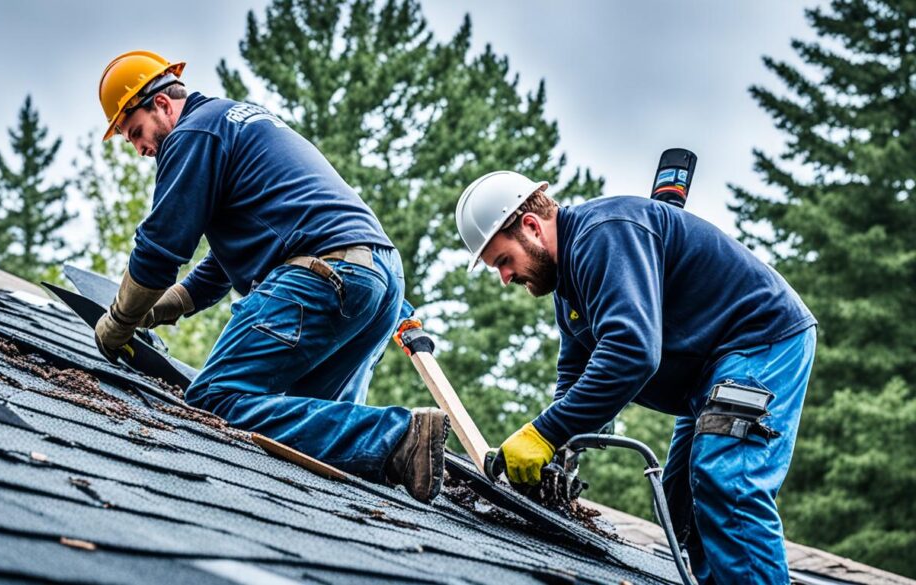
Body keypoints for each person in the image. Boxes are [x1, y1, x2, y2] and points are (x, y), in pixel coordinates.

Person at [93, 50, 449, 503]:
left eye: (136, 133)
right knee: (310, 435)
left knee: (216, 398)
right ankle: (399, 454)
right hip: (378, 279)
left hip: (324, 273)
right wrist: (168, 306)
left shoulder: (193, 134)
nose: (141, 149)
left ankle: (397, 436)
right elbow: (223, 264)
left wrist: (119, 321)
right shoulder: (233, 122)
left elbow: (160, 247)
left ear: (161, 103)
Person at [455, 171, 817, 583]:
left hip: (759, 340)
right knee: (684, 504)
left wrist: (544, 432)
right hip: (706, 376)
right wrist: (560, 449)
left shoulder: (604, 235)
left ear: (532, 227)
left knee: (725, 480)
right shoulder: (570, 285)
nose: (505, 277)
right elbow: (576, 370)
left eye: (504, 261)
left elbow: (631, 353)